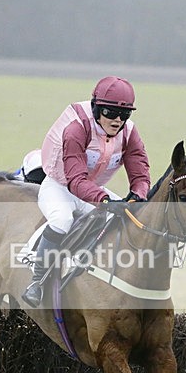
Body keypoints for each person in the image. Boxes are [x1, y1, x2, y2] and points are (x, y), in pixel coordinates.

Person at [21, 76, 152, 307]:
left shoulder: (129, 132)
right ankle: (37, 282)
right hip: (60, 187)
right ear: (96, 108)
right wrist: (104, 200)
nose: (118, 120)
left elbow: (140, 174)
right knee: (62, 219)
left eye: (124, 114)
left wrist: (138, 196)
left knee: (128, 219)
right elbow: (75, 180)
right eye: (110, 112)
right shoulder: (76, 128)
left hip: (93, 190)